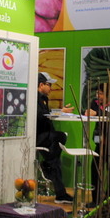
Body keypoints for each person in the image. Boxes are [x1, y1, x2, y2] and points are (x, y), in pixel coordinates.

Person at [36, 72, 74, 204]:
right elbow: (40, 116)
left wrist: (59, 111)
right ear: (41, 85)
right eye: (49, 85)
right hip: (38, 136)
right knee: (61, 136)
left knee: (55, 161)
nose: (51, 88)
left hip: (46, 135)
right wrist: (60, 112)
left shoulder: (43, 98)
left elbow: (45, 114)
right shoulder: (35, 98)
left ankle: (60, 194)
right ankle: (47, 165)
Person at [84, 83, 110, 206]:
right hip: (100, 141)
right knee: (95, 169)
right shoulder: (94, 103)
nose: (98, 96)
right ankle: (95, 200)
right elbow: (89, 112)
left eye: (101, 93)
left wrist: (97, 113)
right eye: (97, 93)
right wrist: (88, 112)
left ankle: (109, 200)